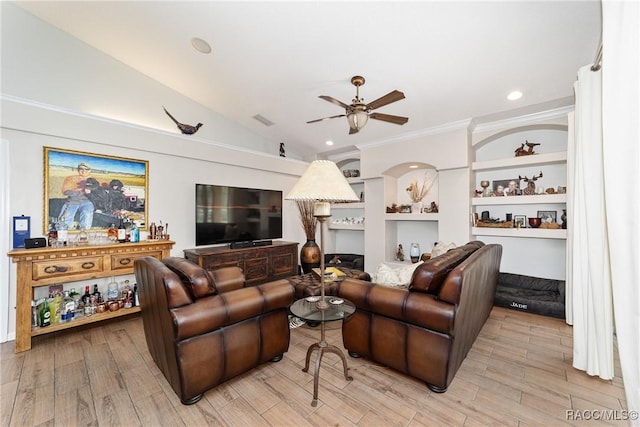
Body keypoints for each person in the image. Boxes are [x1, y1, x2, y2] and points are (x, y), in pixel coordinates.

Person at [58, 162, 94, 230]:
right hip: (73, 201)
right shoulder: (71, 178)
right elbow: (65, 191)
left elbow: (99, 191)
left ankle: (84, 234)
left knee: (87, 215)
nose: (83, 171)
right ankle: (62, 236)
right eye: (81, 169)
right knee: (66, 218)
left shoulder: (93, 180)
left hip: (87, 201)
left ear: (90, 171)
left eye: (86, 169)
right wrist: (79, 192)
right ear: (78, 170)